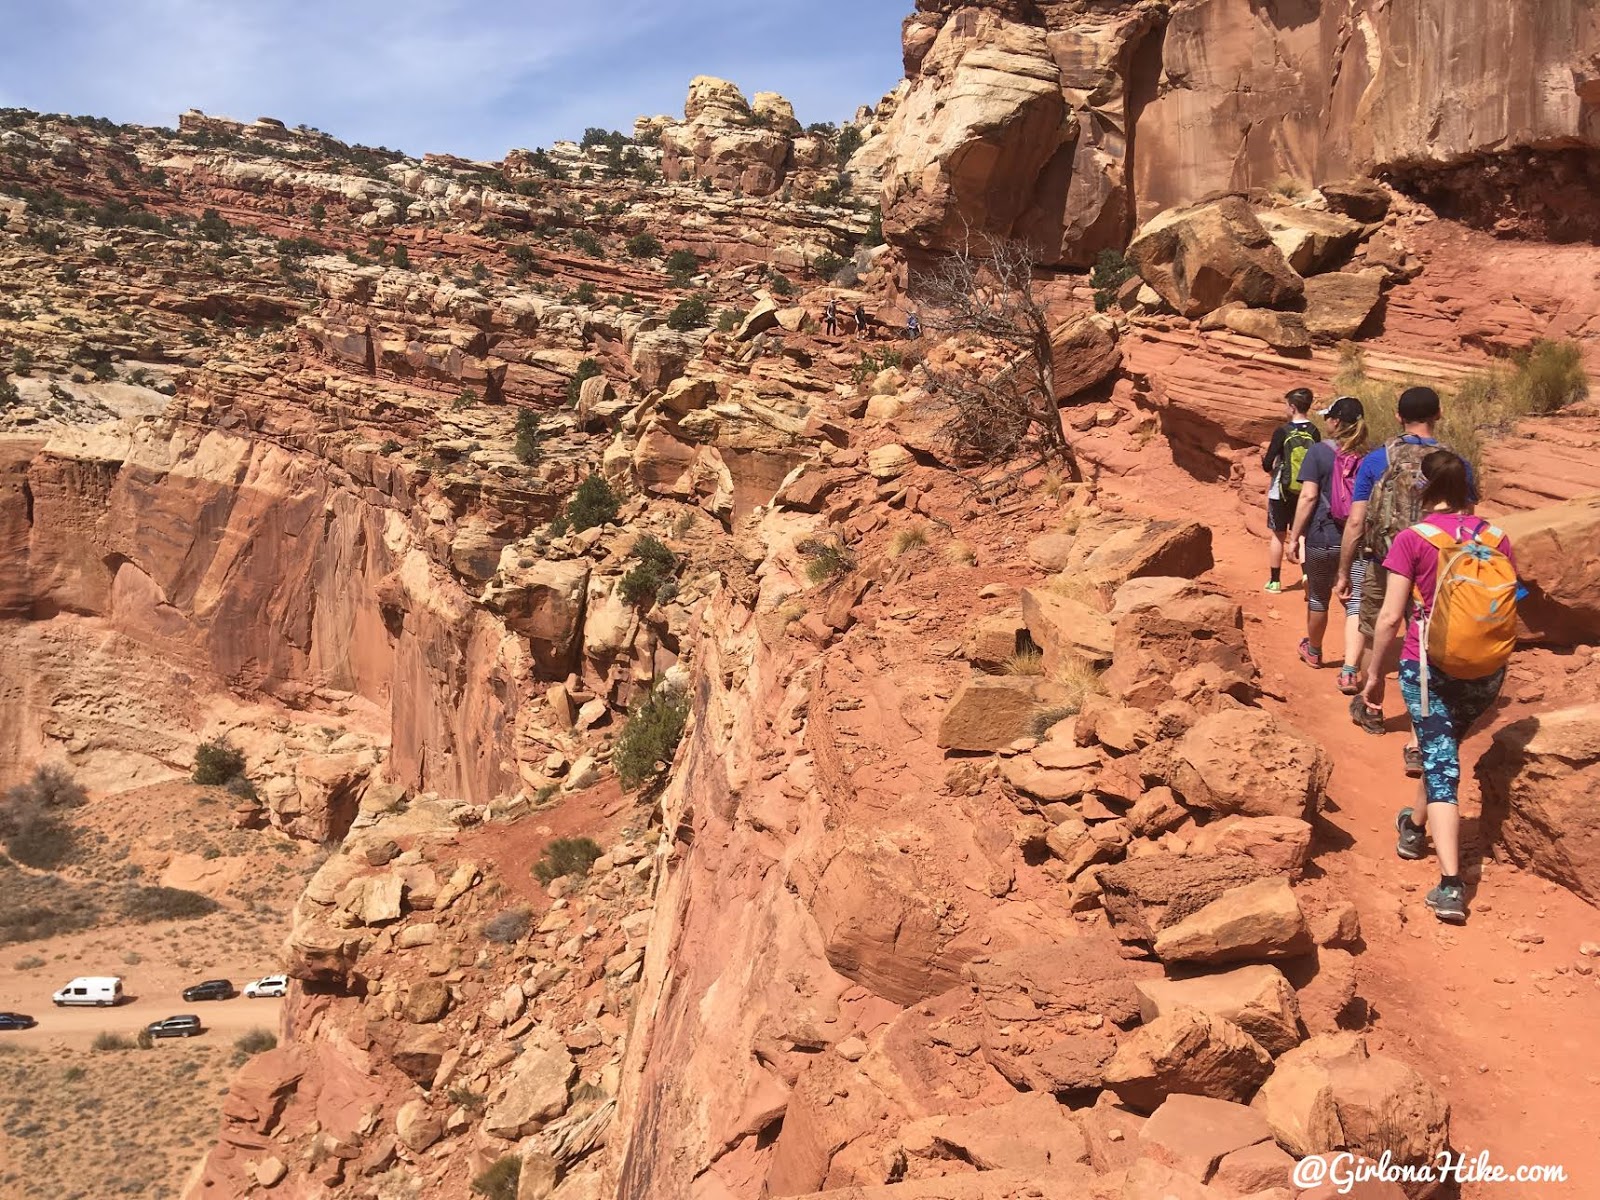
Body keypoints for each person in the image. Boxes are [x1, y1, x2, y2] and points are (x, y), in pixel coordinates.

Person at [1365, 450, 1517, 924]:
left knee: (1441, 764)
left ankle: (1451, 885)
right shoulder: (1495, 536)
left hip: (1428, 666)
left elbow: (1390, 616)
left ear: (1422, 488)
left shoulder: (1413, 539)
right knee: (1440, 749)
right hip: (1487, 669)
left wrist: (1373, 675)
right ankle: (1413, 827)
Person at [1334, 386, 1476, 777]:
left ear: (1398, 416)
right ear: (1439, 413)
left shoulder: (1380, 457)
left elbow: (1358, 520)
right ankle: (1417, 741)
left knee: (1376, 623)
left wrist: (1345, 570)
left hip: (1385, 559)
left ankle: (1373, 702)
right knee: (1426, 644)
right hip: (1437, 564)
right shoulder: (1455, 463)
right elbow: (1468, 517)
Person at [1285, 395, 1367, 669]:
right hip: (1356, 540)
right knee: (1354, 603)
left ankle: (1315, 651)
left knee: (1319, 596)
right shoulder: (1369, 455)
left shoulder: (1319, 452)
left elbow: (1308, 497)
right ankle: (1350, 669)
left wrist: (1294, 536)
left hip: (1322, 536)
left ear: (1335, 421)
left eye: (1329, 417)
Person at [1261, 388, 1321, 593]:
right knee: (1303, 534)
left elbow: (1267, 464)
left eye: (1286, 405)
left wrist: (1273, 467)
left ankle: (1275, 582)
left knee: (1278, 535)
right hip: (1306, 490)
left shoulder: (1282, 432)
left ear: (1293, 407)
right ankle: (1306, 575)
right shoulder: (1314, 431)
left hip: (1281, 490)